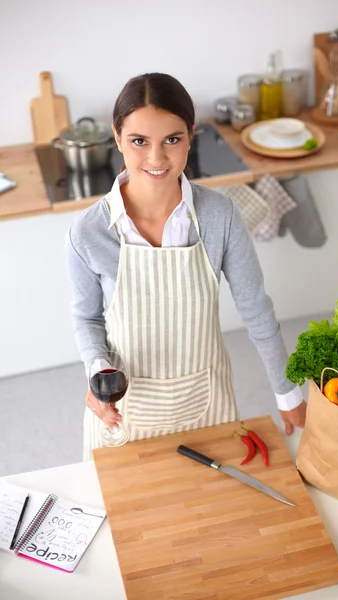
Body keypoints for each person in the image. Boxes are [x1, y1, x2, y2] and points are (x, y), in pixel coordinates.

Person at [65, 72, 306, 460]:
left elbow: (256, 309)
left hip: (206, 404)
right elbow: (87, 319)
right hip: (126, 412)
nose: (157, 158)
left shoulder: (219, 216)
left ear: (191, 135)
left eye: (172, 140)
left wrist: (288, 392)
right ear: (117, 137)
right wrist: (97, 372)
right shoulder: (88, 232)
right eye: (139, 141)